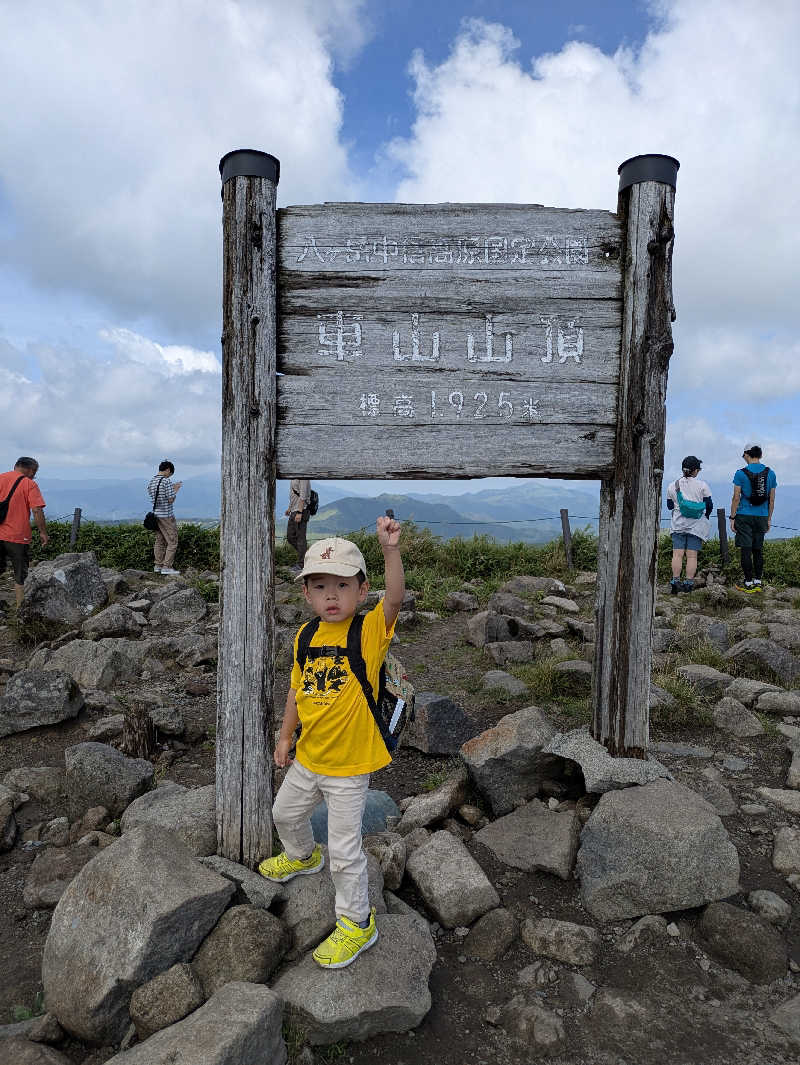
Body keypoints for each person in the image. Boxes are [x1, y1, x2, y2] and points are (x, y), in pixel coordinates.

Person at [258, 519, 405, 969]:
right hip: (309, 757)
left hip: (349, 767)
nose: (331, 596)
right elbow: (297, 693)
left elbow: (395, 598)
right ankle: (303, 856)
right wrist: (285, 737)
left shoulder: (367, 633)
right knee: (283, 814)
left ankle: (357, 923)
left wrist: (390, 551)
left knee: (345, 852)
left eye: (342, 585)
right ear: (307, 594)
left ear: (362, 592)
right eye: (320, 586)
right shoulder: (305, 637)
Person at [0, 457, 49, 609]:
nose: (34, 476)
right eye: (35, 472)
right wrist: (43, 532)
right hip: (18, 536)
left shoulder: (1, 478)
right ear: (31, 470)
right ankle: (21, 610)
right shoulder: (29, 484)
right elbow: (36, 509)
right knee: (20, 574)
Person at [730, 444, 777, 592]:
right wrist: (769, 519)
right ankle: (758, 581)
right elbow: (771, 499)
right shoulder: (771, 473)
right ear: (760, 455)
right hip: (762, 516)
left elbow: (736, 498)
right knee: (758, 549)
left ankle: (748, 582)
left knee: (746, 549)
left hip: (744, 515)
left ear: (746, 455)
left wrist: (732, 518)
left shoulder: (740, 473)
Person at [665, 456, 712, 594]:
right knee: (692, 556)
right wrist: (706, 515)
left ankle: (675, 581)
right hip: (696, 526)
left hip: (678, 524)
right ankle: (688, 583)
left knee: (677, 554)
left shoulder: (672, 485)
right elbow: (709, 505)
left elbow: (669, 506)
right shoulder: (702, 485)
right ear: (695, 470)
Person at [147, 461, 182, 576]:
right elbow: (170, 499)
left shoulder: (152, 481)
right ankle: (167, 566)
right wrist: (176, 489)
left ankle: (158, 565)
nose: (169, 475)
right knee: (173, 541)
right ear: (167, 469)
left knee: (160, 540)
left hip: (156, 515)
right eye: (170, 473)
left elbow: (156, 496)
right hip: (166, 516)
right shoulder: (166, 481)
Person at [286, 478, 311, 571]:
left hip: (301, 510)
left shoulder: (304, 477)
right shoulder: (293, 476)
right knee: (290, 537)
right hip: (294, 510)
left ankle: (302, 564)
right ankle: (307, 555)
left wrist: (300, 512)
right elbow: (294, 494)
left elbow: (303, 496)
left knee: (300, 538)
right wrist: (289, 508)